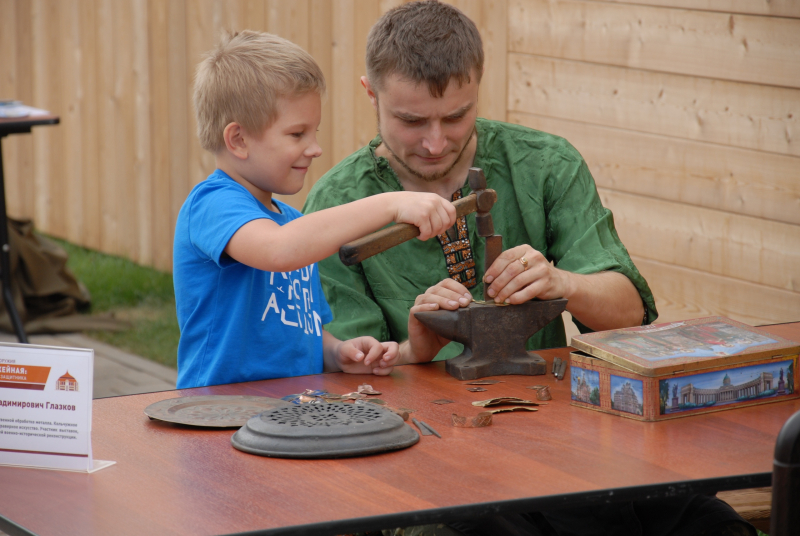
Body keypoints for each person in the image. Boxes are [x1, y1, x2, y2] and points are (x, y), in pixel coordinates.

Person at [303, 2, 754, 535]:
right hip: (435, 455)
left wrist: (562, 284)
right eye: (411, 120)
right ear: (371, 93)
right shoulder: (335, 209)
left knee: (705, 522)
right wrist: (417, 345)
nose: (435, 141)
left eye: (455, 116)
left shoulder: (543, 163)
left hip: (570, 434)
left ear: (479, 86)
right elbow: (354, 378)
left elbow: (630, 312)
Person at [173, 30, 456, 389]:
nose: (315, 148)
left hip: (294, 419)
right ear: (239, 140)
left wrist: (338, 352)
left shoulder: (294, 224)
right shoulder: (211, 203)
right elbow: (278, 250)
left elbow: (302, 328)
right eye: (297, 135)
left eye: (315, 132)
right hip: (218, 420)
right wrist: (391, 203)